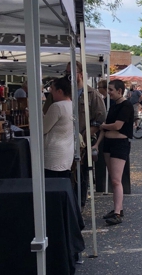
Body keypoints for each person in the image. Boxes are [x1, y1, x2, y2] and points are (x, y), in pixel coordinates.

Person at [44, 61, 106, 208]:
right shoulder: (60, 92)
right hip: (62, 141)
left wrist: (86, 135)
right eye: (67, 72)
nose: (69, 75)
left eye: (72, 72)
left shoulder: (92, 94)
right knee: (64, 174)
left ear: (81, 74)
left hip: (83, 141)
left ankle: (79, 206)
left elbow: (100, 119)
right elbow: (47, 112)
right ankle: (67, 205)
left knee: (80, 175)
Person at [93, 80, 134, 225]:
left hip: (119, 144)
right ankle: (118, 208)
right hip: (108, 144)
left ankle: (117, 213)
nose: (108, 92)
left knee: (116, 179)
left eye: (110, 89)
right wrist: (97, 144)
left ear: (119, 91)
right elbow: (105, 129)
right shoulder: (113, 105)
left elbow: (117, 126)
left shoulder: (126, 105)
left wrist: (102, 125)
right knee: (113, 179)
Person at [43, 76, 74, 179]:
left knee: (52, 184)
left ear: (60, 91)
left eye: (52, 89)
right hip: (67, 151)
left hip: (54, 153)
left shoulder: (57, 106)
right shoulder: (72, 105)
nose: (51, 92)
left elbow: (43, 128)